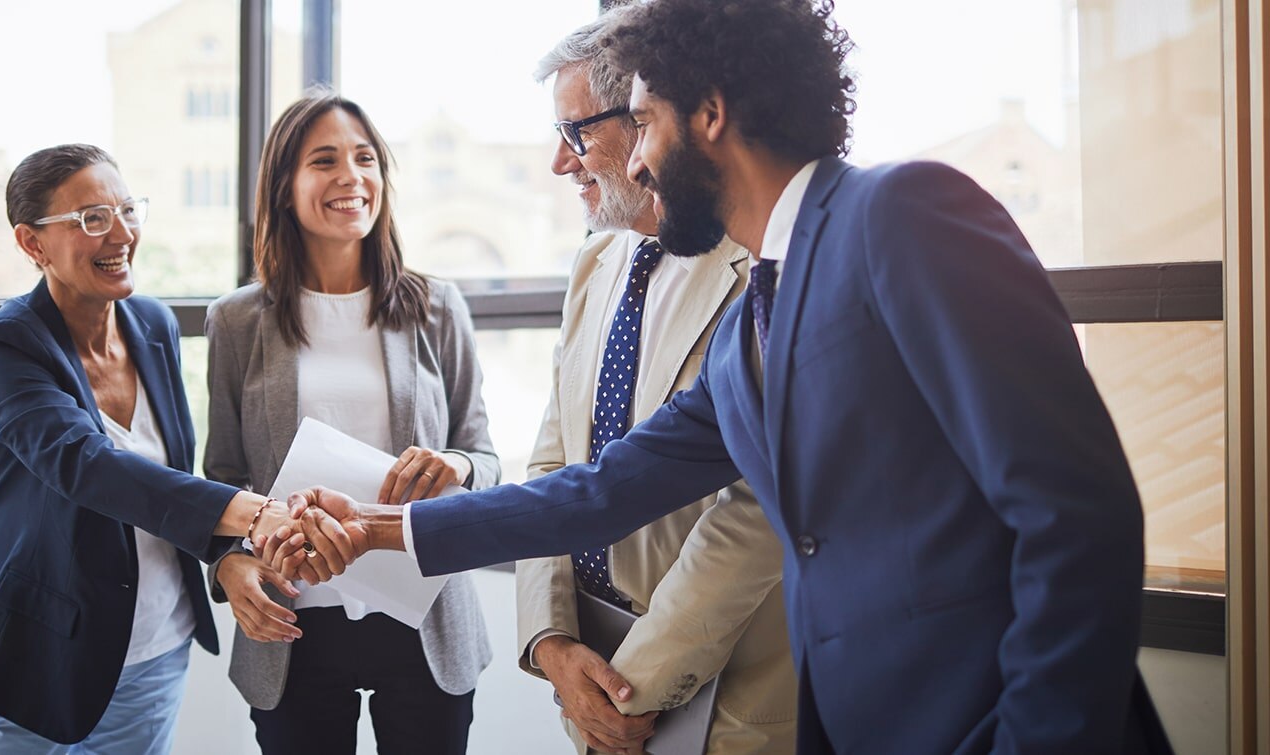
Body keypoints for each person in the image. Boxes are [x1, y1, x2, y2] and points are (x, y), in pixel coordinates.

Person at [288, 1, 1176, 752]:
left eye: (642, 122)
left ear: (708, 113)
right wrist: (378, 529)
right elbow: (596, 492)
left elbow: (1077, 518)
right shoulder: (755, 316)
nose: (632, 160)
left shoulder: (903, 214)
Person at [0, 144, 337, 753]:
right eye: (91, 219)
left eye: (126, 209)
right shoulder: (9, 344)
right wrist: (255, 511)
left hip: (153, 649)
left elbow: (171, 475)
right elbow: (85, 465)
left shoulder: (153, 323)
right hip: (34, 646)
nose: (121, 232)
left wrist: (225, 554)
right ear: (32, 244)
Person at [518, 12, 794, 754]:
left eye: (577, 134)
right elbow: (554, 466)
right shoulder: (594, 263)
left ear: (646, 119)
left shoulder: (758, 269)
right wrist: (551, 642)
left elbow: (755, 513)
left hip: (722, 693)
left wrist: (631, 683)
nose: (561, 162)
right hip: (589, 675)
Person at [204, 91, 497, 755]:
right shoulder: (237, 321)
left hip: (423, 614)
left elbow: (484, 454)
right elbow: (221, 475)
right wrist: (227, 563)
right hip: (292, 618)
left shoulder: (437, 307)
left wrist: (460, 464)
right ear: (285, 186)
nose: (351, 176)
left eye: (365, 158)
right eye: (325, 160)